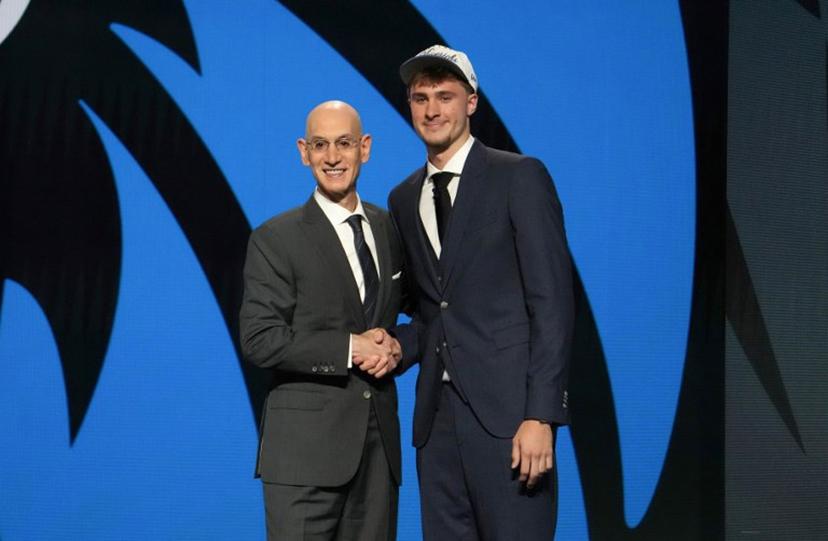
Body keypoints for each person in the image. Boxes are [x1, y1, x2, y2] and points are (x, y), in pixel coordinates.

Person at [388, 45, 575, 540]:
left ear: (471, 103)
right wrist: (394, 346)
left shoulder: (519, 176)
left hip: (511, 419)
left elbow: (552, 304)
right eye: (420, 97)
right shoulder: (403, 199)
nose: (432, 110)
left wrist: (541, 414)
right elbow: (433, 311)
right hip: (437, 425)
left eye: (445, 96)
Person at [240, 100, 404, 541]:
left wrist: (397, 346)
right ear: (304, 152)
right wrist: (352, 348)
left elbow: (425, 316)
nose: (333, 157)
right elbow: (261, 339)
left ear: (364, 148)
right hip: (303, 460)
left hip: (377, 458)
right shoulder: (276, 238)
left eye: (344, 143)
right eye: (320, 145)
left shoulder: (390, 228)